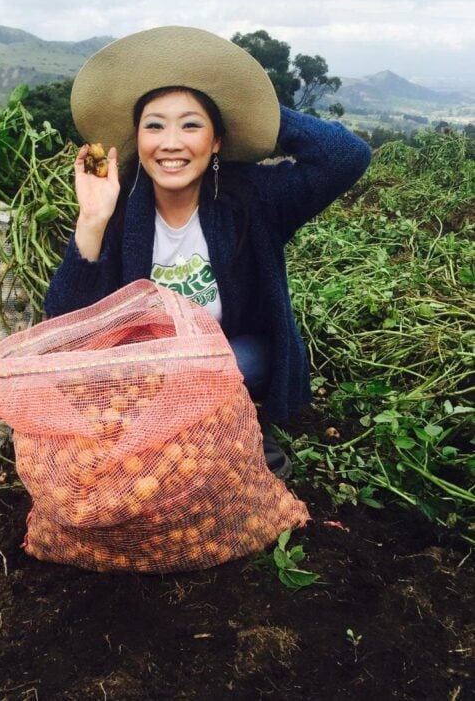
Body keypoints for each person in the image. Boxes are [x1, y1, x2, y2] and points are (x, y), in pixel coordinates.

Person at [44, 26, 371, 478]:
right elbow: (64, 325)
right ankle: (217, 432)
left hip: (226, 358)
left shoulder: (253, 199)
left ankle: (215, 426)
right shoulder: (120, 209)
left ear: (217, 140)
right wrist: (92, 220)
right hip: (143, 372)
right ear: (138, 140)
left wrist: (255, 108)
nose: (171, 143)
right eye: (154, 126)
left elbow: (345, 157)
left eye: (191, 125)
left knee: (243, 360)